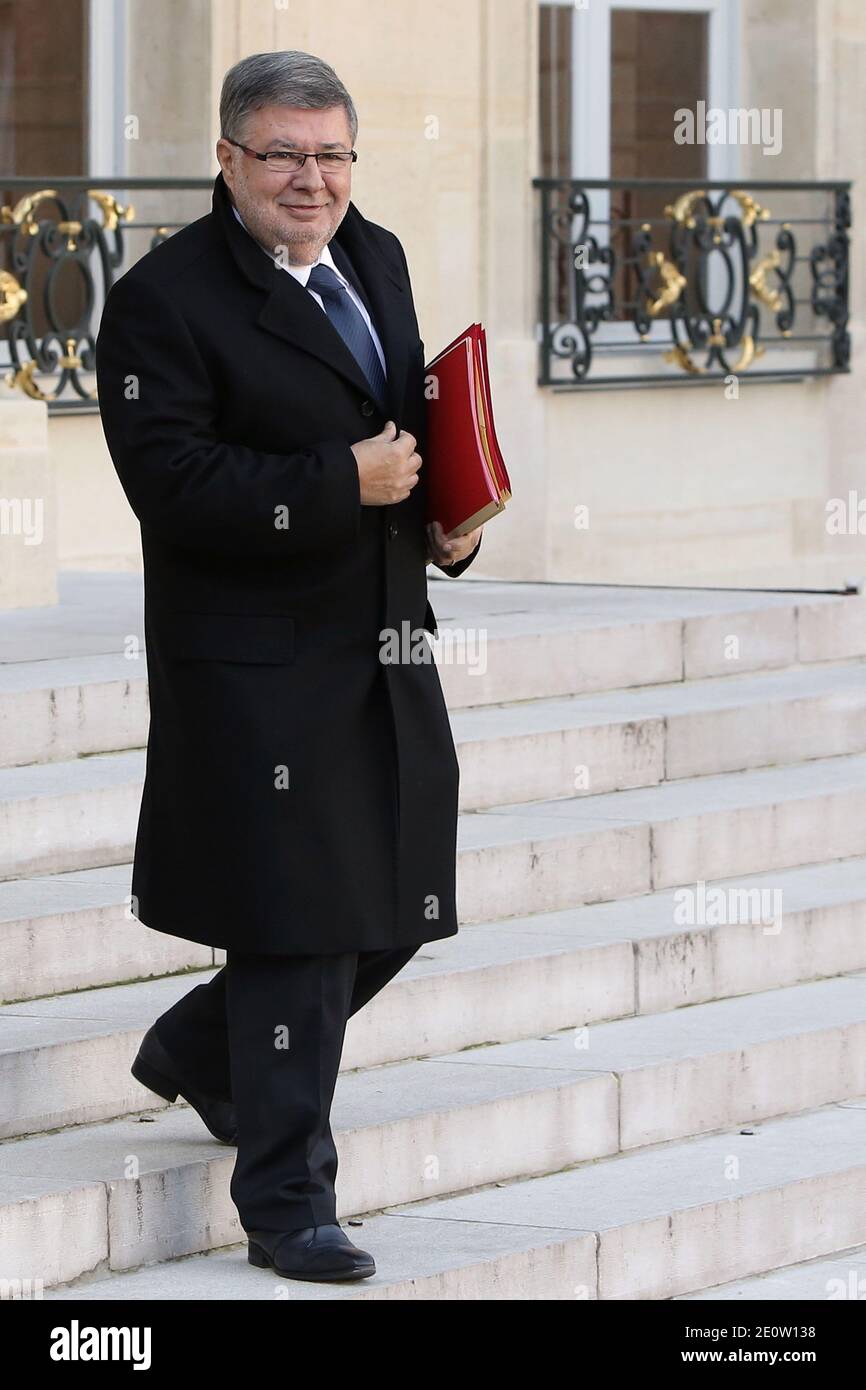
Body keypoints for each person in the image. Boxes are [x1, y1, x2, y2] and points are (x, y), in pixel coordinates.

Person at [95, 48, 483, 1284]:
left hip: (382, 633)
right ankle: (286, 1206)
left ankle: (202, 1049)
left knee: (403, 896)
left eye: (329, 154)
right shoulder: (164, 300)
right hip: (255, 665)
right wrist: (337, 483)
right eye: (282, 156)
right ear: (227, 160)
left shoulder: (374, 253)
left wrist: (446, 515)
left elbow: (403, 431)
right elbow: (170, 484)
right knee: (299, 927)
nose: (310, 180)